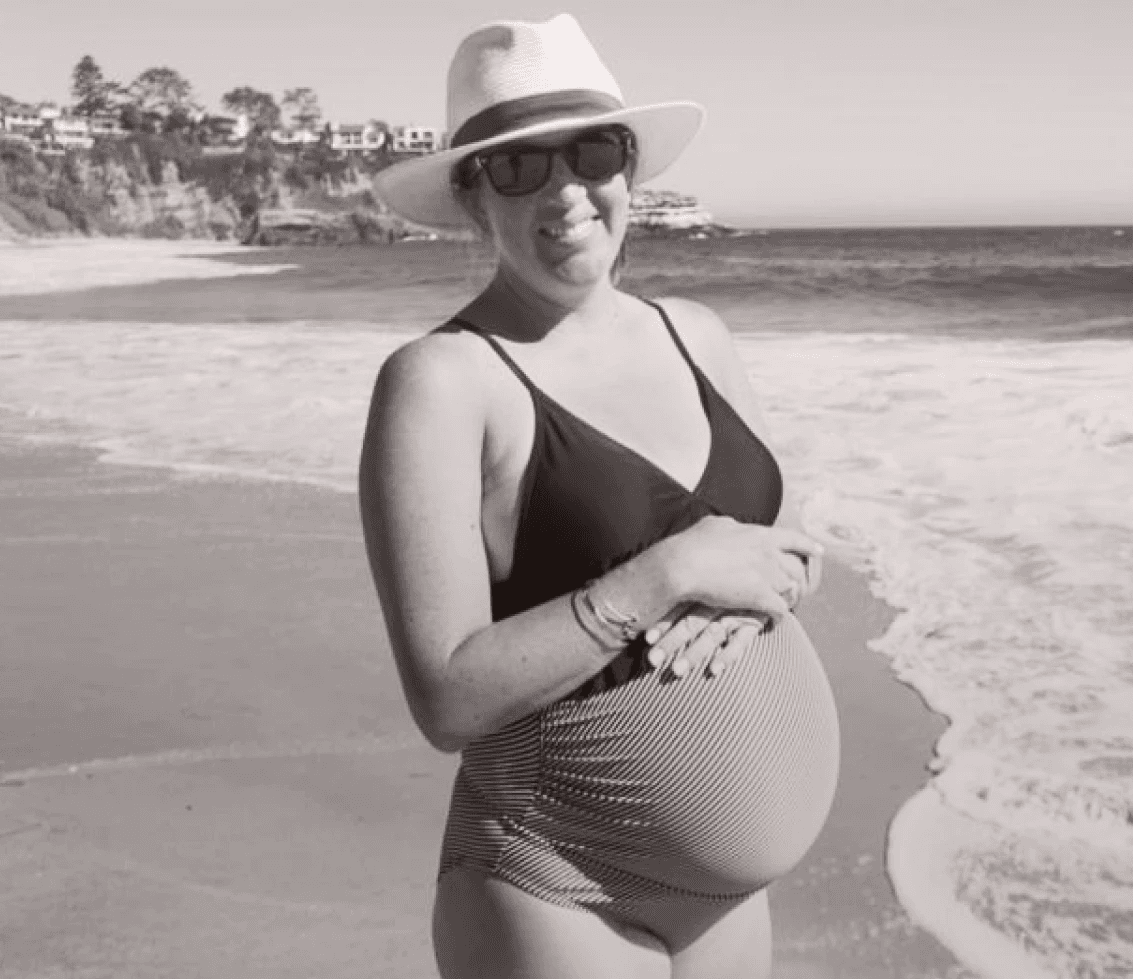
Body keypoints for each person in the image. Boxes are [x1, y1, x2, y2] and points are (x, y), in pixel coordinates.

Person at [360, 15, 841, 979]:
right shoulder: (445, 381)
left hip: (728, 901)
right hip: (556, 881)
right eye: (518, 167)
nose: (567, 190)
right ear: (471, 196)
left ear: (630, 167)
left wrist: (784, 571)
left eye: (593, 152)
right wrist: (661, 577)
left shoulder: (696, 332)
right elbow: (446, 696)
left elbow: (776, 542)